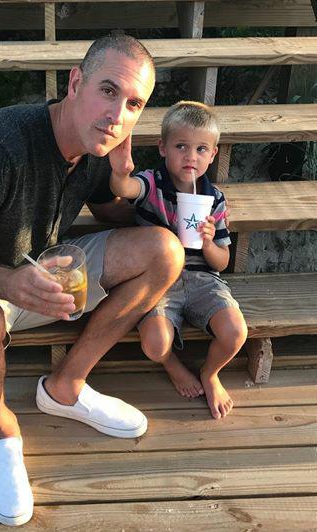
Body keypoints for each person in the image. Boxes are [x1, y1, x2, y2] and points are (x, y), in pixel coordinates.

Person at [0, 34, 184, 527]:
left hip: (41, 275)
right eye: (108, 90)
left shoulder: (98, 146)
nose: (117, 115)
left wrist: (125, 181)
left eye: (133, 104)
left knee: (165, 252)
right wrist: (6, 283)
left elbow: (114, 217)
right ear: (75, 83)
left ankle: (66, 386)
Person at [109, 100, 248, 420]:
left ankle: (210, 373)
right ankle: (172, 365)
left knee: (235, 332)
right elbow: (125, 188)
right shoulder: (152, 184)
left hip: (203, 279)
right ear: (163, 148)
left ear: (213, 155)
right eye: (181, 146)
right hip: (159, 280)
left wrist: (209, 242)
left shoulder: (214, 199)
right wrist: (119, 173)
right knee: (155, 345)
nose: (191, 156)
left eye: (201, 149)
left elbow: (222, 261)